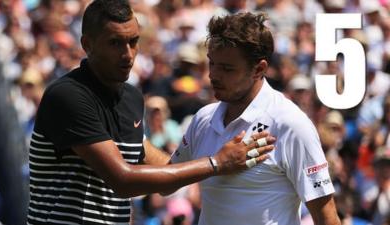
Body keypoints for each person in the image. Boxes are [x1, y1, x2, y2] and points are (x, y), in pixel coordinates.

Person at [26, 1, 275, 224]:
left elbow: (166, 175)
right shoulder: (68, 96)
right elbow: (122, 180)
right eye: (115, 43)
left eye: (133, 41)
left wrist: (231, 156)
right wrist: (217, 162)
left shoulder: (132, 97)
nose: (128, 54)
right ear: (87, 44)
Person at [171, 12, 341, 225]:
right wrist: (135, 138)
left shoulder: (291, 124)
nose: (213, 75)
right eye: (212, 63)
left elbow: (327, 219)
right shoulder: (203, 119)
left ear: (259, 69)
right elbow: (166, 182)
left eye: (227, 68)